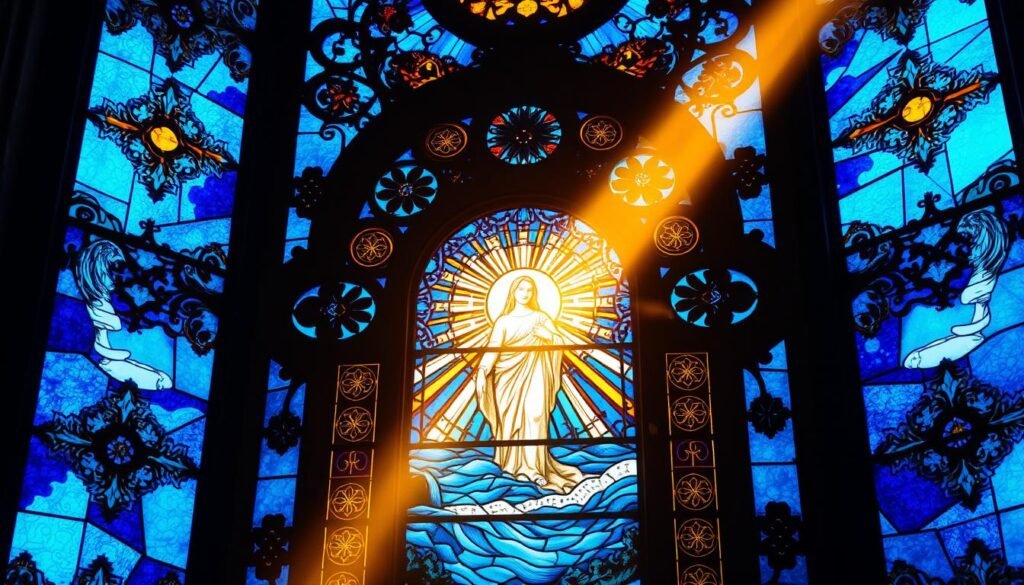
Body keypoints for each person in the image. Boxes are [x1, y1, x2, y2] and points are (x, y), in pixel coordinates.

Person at [475, 275, 583, 493]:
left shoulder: (541, 318)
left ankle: (534, 469)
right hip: (507, 379)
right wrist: (483, 370)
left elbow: (559, 341)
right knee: (509, 423)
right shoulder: (503, 321)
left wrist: (547, 336)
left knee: (535, 415)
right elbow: (493, 348)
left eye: (529, 290)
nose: (525, 294)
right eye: (521, 289)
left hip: (537, 372)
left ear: (534, 294)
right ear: (513, 292)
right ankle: (512, 467)